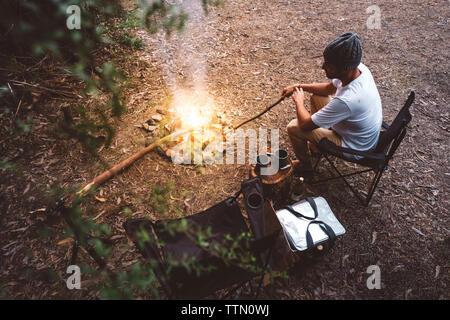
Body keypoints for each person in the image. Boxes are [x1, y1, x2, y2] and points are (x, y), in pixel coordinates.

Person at [282, 32, 382, 176]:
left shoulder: (348, 99)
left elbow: (304, 124)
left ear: (345, 68)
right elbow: (328, 89)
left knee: (294, 127)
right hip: (356, 133)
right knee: (318, 96)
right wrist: (299, 86)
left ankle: (305, 165)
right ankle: (317, 147)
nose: (324, 67)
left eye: (329, 65)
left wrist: (299, 101)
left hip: (354, 147)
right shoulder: (359, 69)